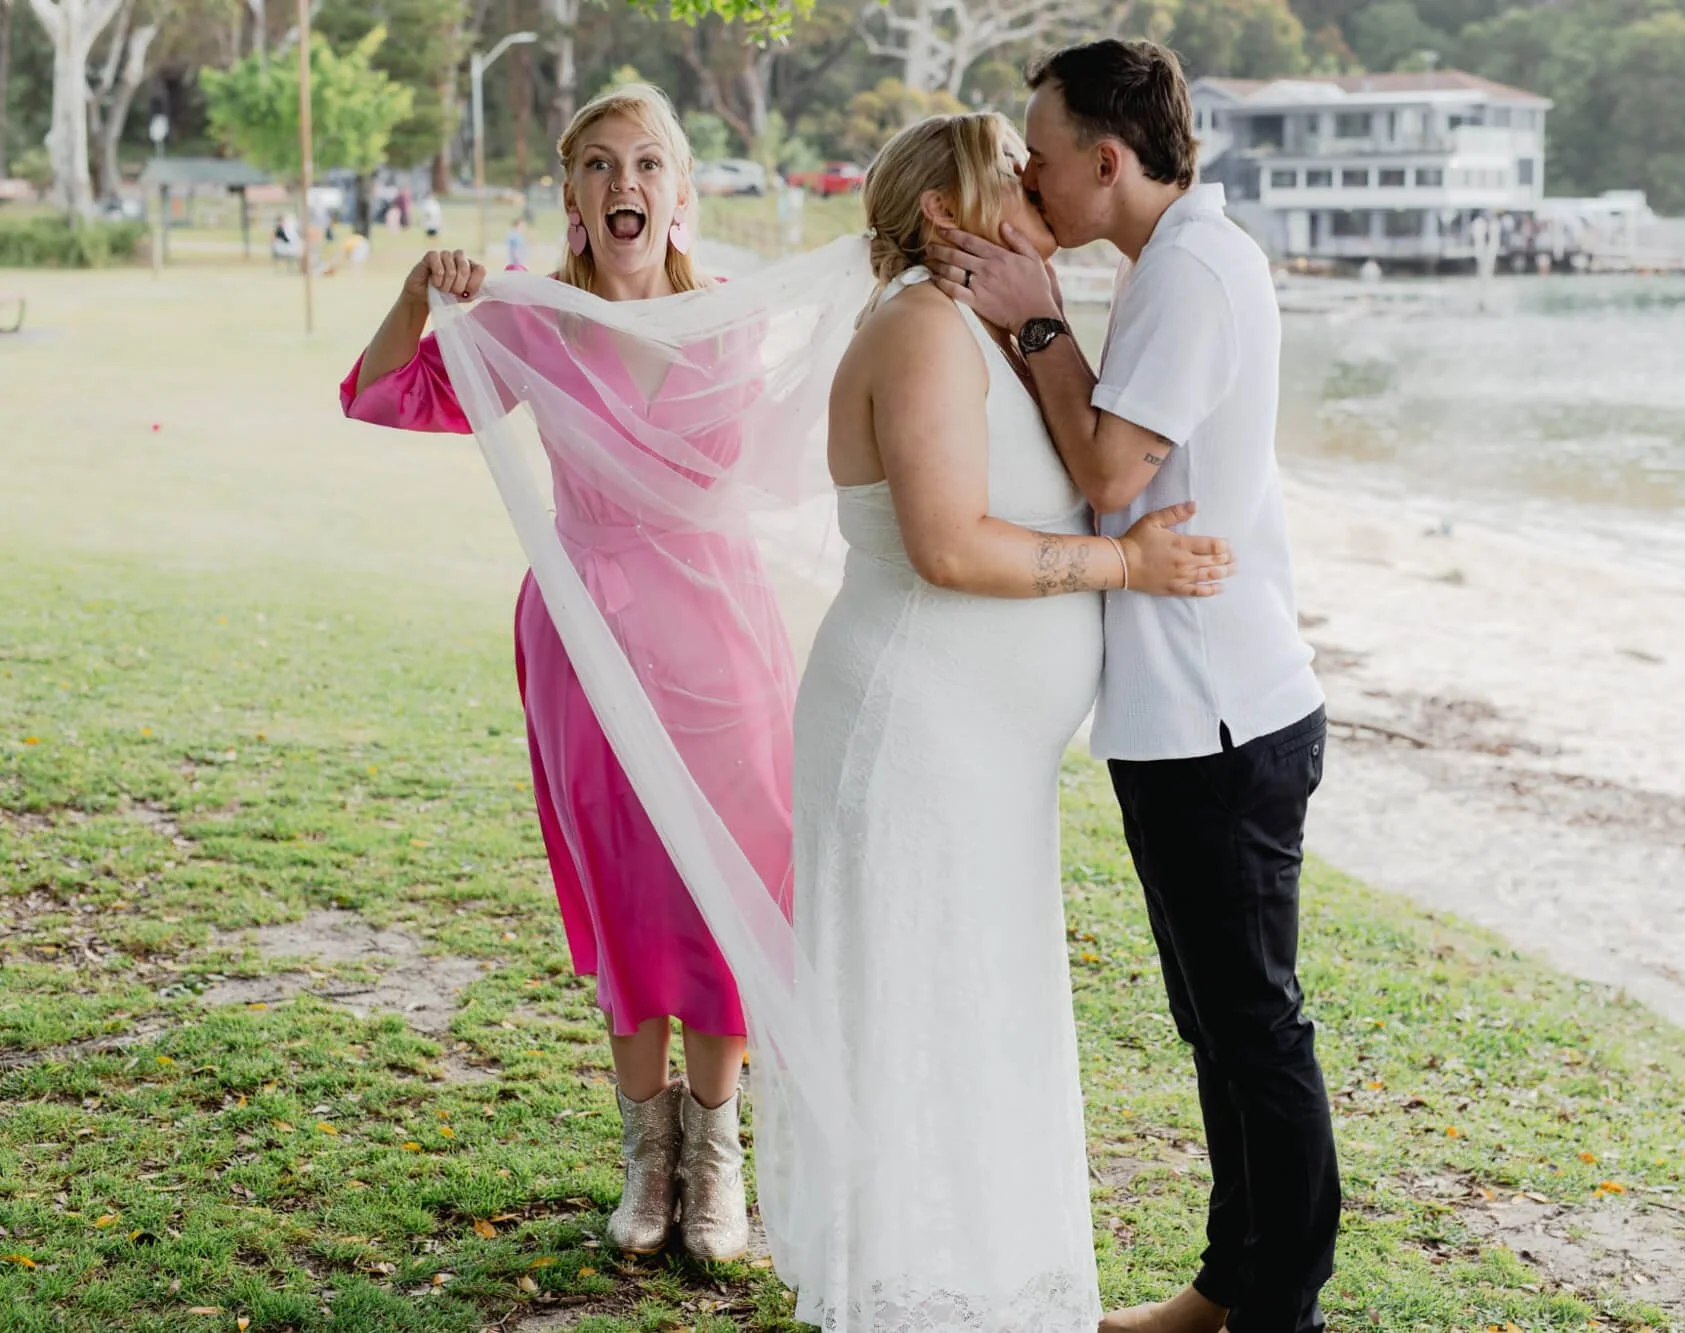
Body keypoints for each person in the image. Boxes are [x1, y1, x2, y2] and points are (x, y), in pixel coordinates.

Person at [762, 111, 1235, 1333]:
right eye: (1011, 181)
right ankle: (913, 1292)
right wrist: (1123, 569)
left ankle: (967, 1286)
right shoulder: (920, 329)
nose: (1035, 194)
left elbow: (1087, 454)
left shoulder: (982, 328)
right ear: (944, 215)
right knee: (923, 1013)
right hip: (916, 734)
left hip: (980, 756)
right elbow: (947, 544)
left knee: (973, 1013)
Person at [927, 39, 1341, 1333]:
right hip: (1184, 715)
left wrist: (1035, 316)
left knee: (1255, 1027)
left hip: (1223, 714)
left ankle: (1282, 1305)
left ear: (1109, 163)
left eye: (1044, 160)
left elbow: (1110, 474)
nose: (1032, 181)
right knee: (1217, 1023)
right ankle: (1230, 1287)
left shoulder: (1192, 274)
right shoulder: (1179, 263)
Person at [339, 83, 776, 1264]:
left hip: (720, 645)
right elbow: (380, 395)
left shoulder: (736, 320)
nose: (622, 182)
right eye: (596, 164)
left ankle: (717, 1154)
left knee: (721, 895)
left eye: (645, 162)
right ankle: (646, 1160)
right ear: (572, 195)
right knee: (630, 895)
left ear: (678, 191)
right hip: (582, 636)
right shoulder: (526, 322)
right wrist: (415, 294)